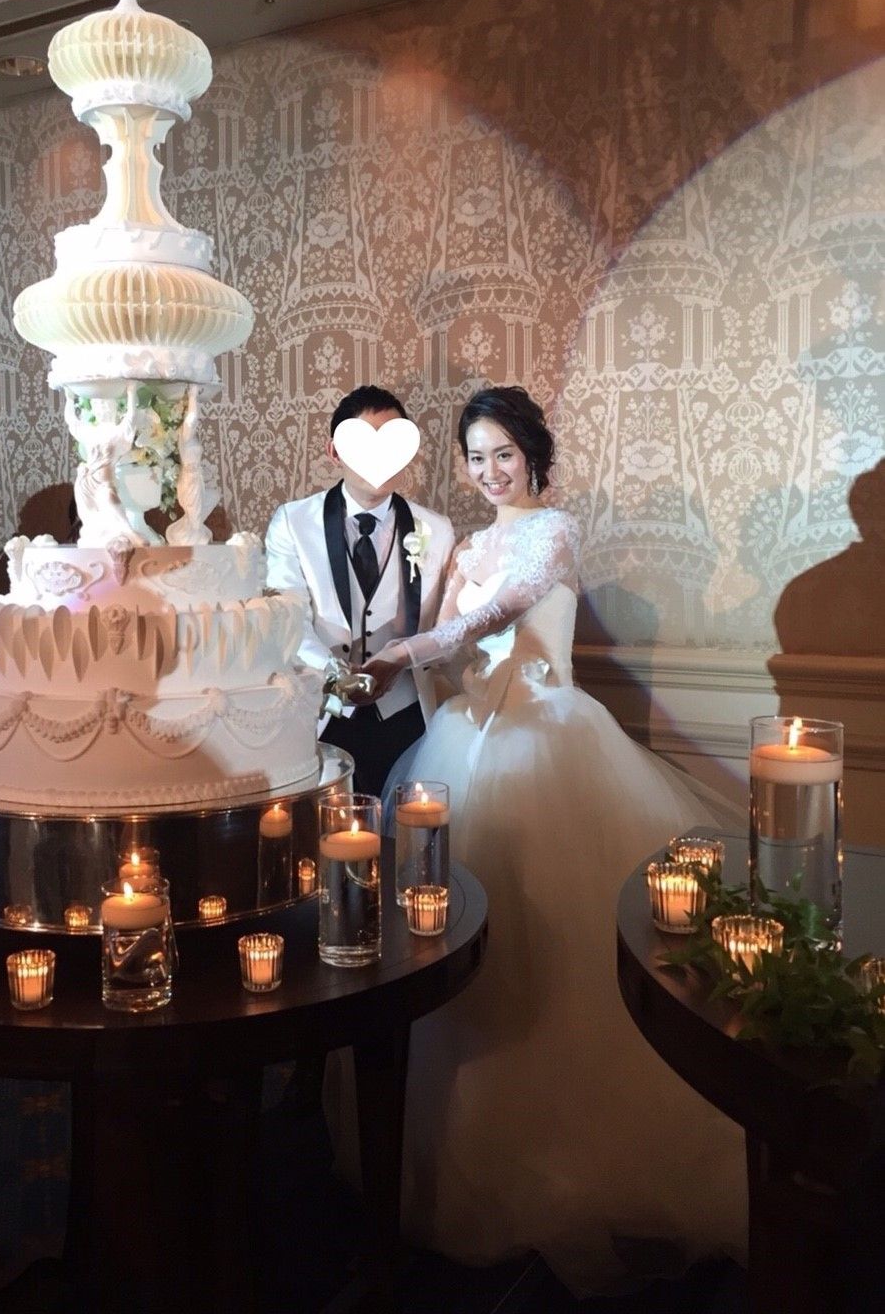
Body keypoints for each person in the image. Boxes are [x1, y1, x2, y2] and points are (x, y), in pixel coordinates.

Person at [357, 386, 746, 1293]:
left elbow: (501, 614)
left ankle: (583, 1154)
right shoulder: (465, 546)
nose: (490, 471)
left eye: (504, 453)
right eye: (476, 457)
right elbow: (448, 642)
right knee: (458, 943)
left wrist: (411, 651)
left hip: (550, 740)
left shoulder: (555, 532)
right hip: (465, 743)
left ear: (534, 455)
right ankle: (461, 1145)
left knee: (558, 940)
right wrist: (397, 665)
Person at [265, 386, 454, 797]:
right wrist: (337, 676)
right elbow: (288, 615)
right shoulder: (293, 522)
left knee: (406, 831)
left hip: (408, 717)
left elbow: (445, 629)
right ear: (334, 451)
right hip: (323, 716)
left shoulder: (437, 530)